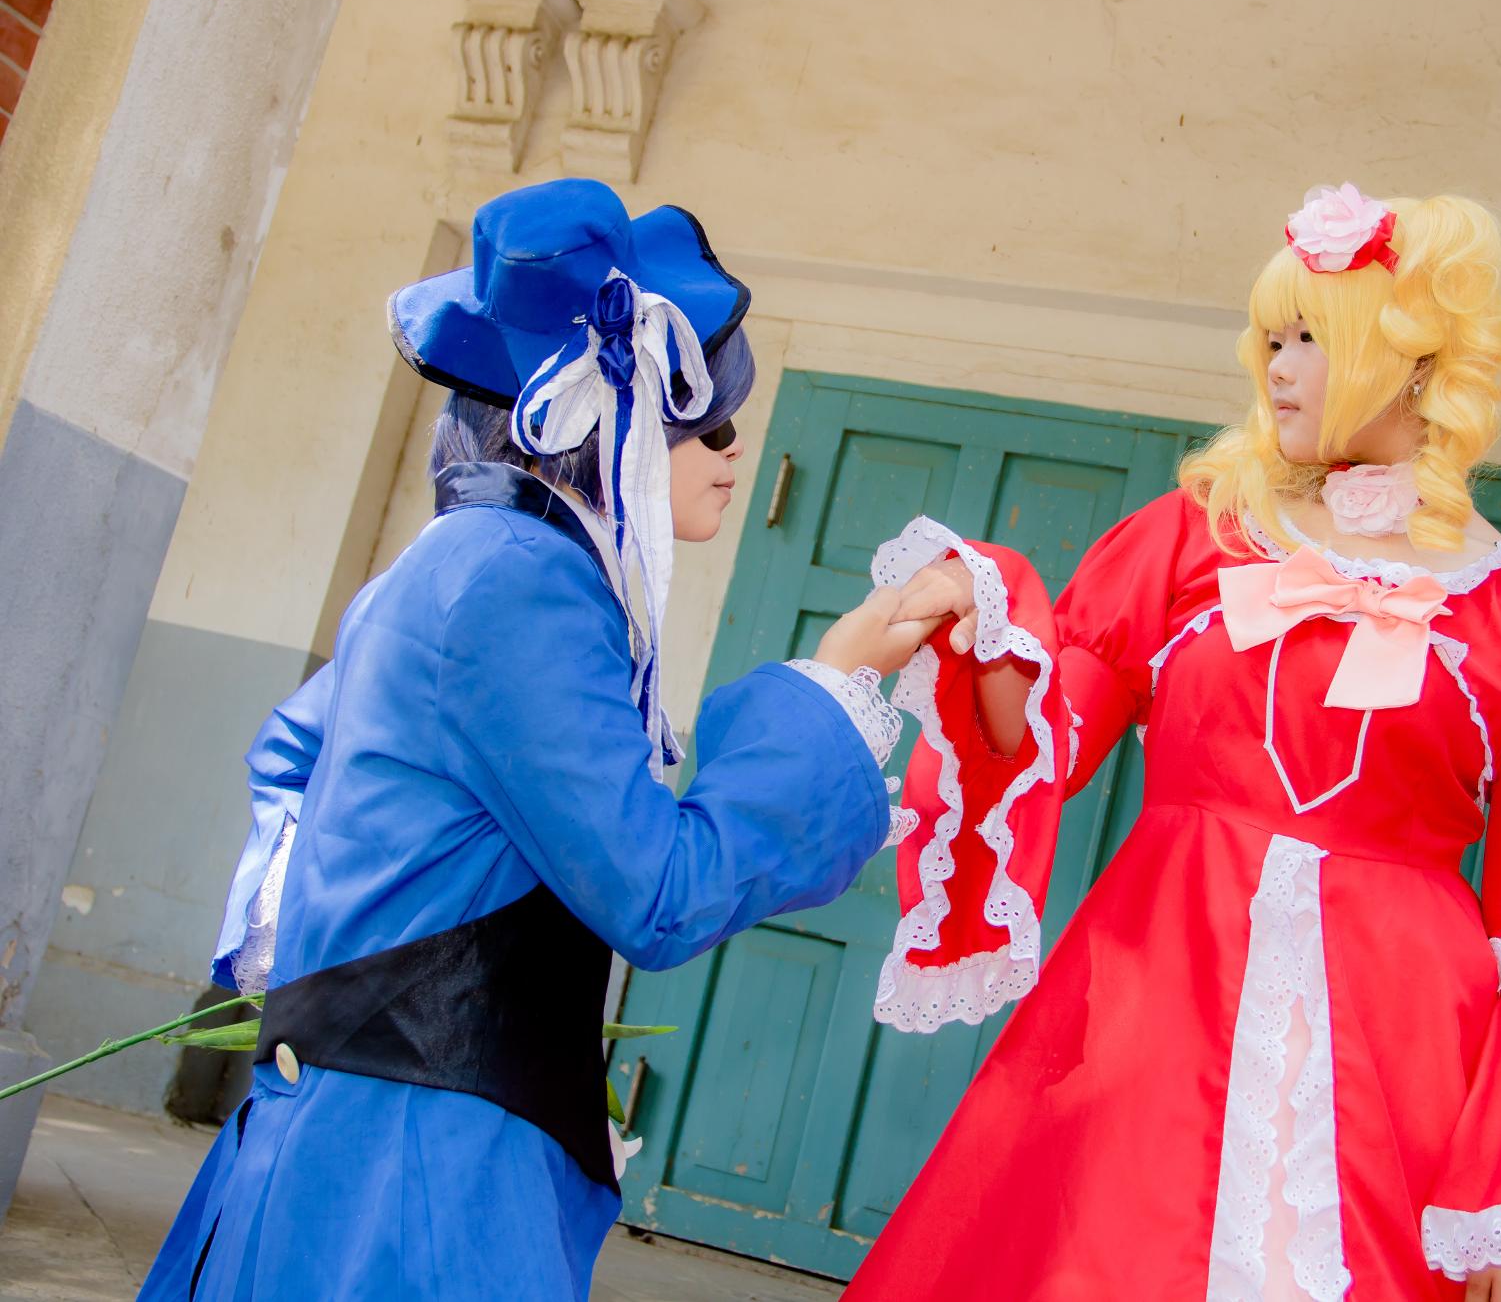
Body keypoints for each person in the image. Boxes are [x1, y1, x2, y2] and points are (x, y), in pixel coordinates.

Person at [846, 186, 1501, 1300]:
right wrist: (991, 624)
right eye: (1271, 339)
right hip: (1152, 1026)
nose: (1275, 368)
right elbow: (1043, 748)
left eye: (1308, 338)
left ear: (1410, 359)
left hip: (1404, 1073)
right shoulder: (1189, 542)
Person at [138, 178, 935, 1301]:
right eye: (703, 422)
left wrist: (311, 952)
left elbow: (289, 757)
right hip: (414, 1172)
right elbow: (658, 892)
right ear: (612, 427)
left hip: (362, 1134)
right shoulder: (519, 580)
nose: (731, 449)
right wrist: (834, 686)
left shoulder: (456, 561)